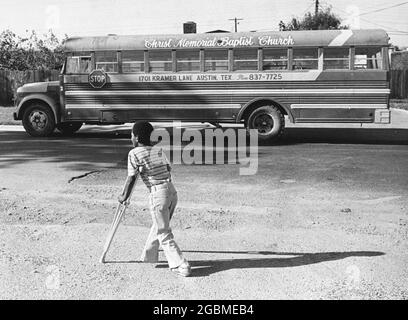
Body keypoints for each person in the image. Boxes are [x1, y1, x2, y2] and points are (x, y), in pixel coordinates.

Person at [118, 121, 191, 277]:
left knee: (163, 232)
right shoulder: (157, 151)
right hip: (171, 191)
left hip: (158, 194)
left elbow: (131, 178)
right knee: (158, 225)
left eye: (131, 135)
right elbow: (168, 169)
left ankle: (181, 264)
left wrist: (123, 196)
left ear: (136, 137)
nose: (131, 138)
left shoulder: (134, 153)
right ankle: (149, 256)